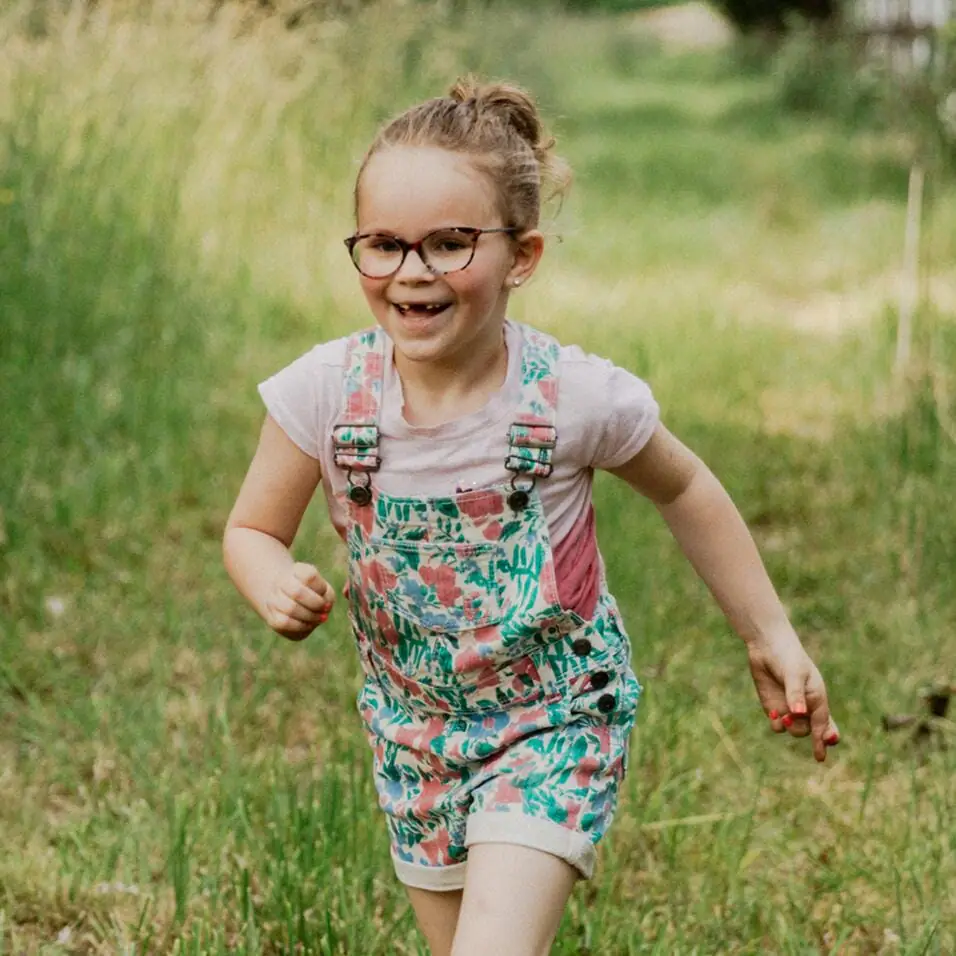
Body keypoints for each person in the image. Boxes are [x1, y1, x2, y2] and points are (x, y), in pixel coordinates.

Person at [223, 77, 839, 956]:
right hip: (414, 735)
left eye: (450, 243)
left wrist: (767, 630)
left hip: (554, 721)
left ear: (522, 255)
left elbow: (685, 488)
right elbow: (251, 530)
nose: (413, 271)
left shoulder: (573, 397)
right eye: (385, 245)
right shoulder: (323, 395)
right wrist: (271, 579)